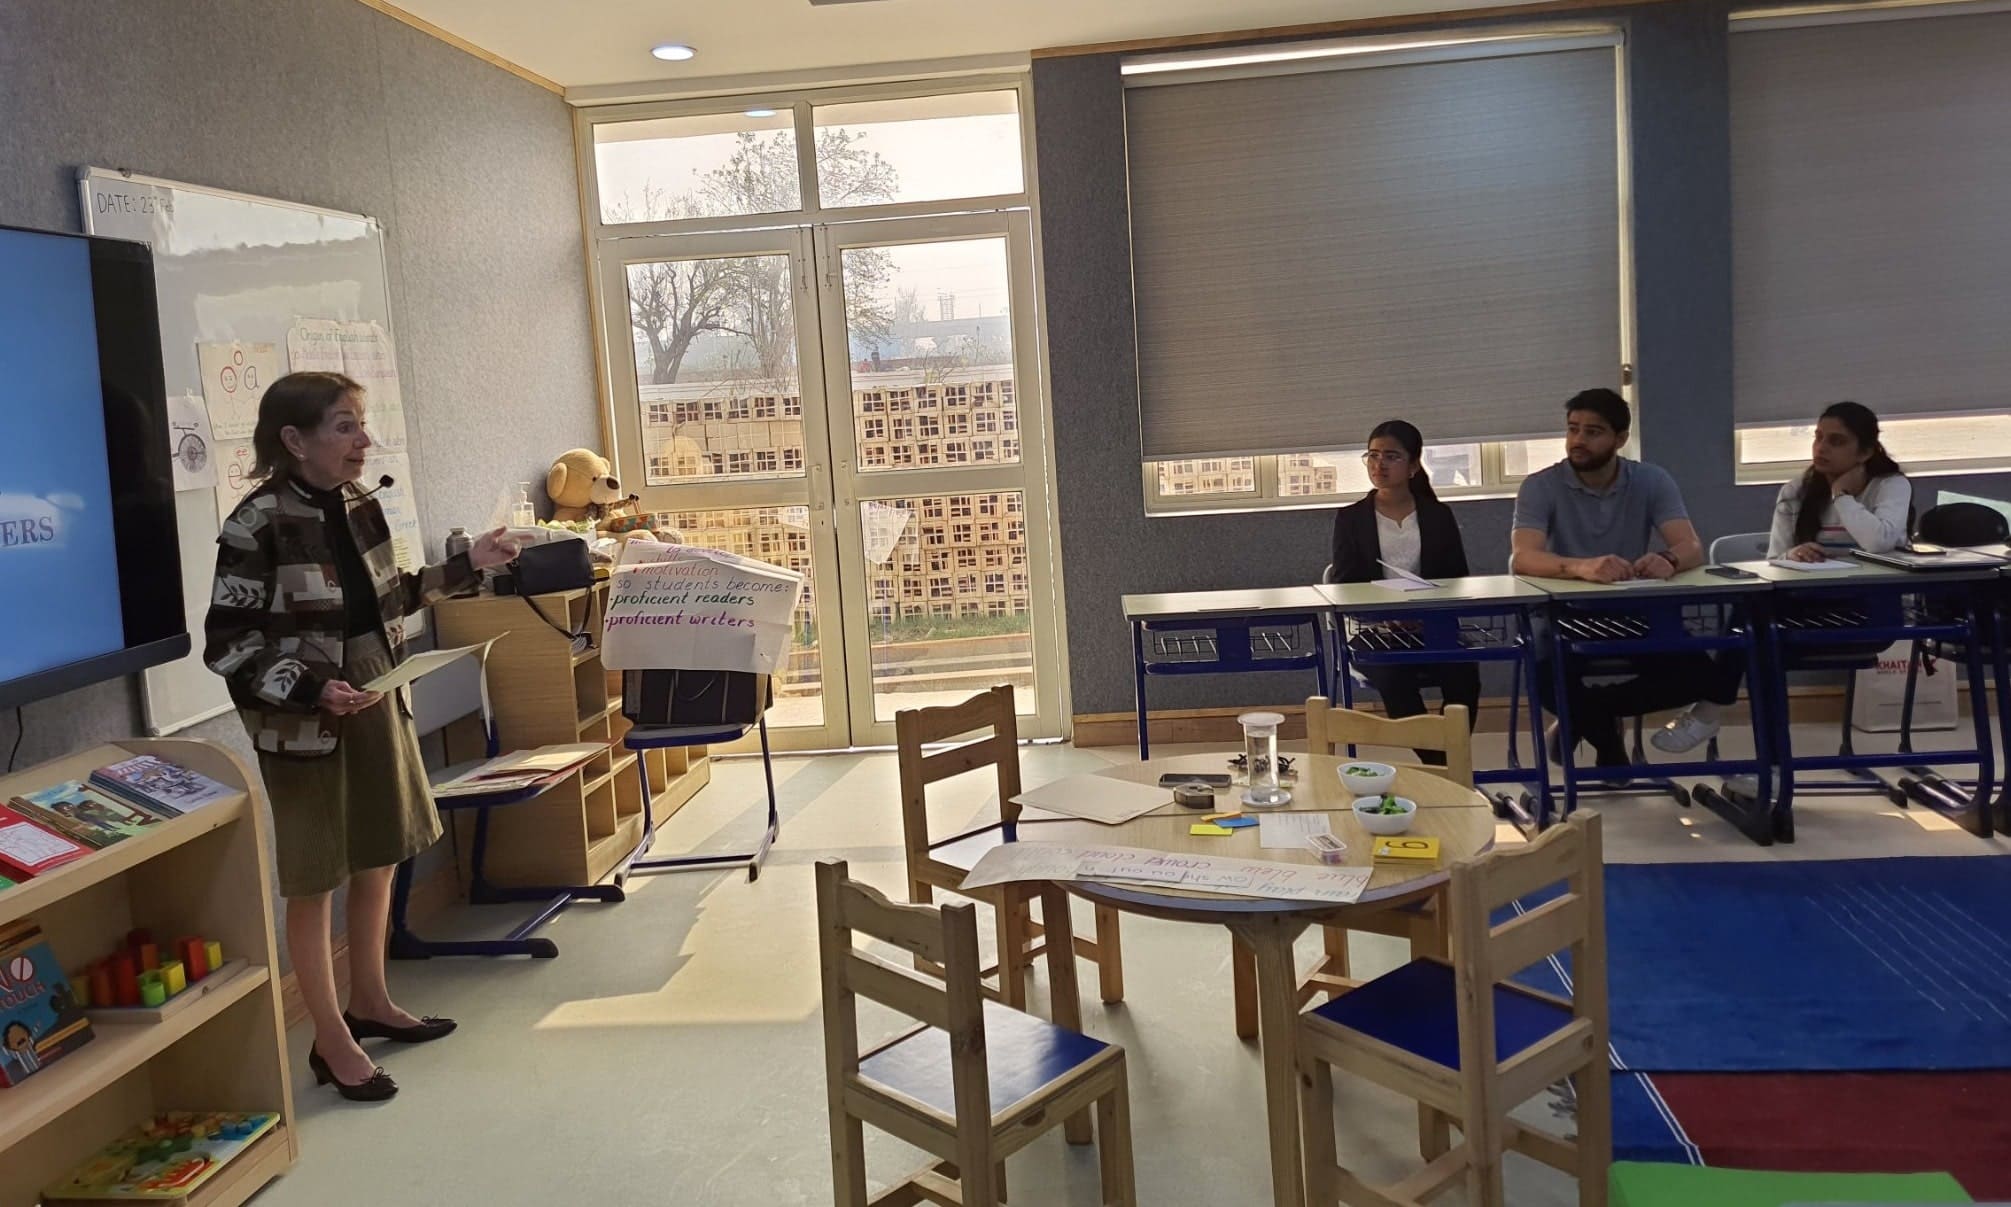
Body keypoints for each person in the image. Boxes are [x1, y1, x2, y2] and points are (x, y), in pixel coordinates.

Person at [204, 372, 520, 1101]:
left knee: (380, 852)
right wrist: (312, 687)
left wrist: (470, 564)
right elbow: (229, 644)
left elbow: (391, 597)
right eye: (345, 426)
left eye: (361, 424)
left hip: (376, 687)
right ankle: (329, 1037)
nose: (363, 440)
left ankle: (371, 1000)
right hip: (303, 720)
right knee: (316, 877)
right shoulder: (255, 524)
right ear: (294, 439)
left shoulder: (359, 504)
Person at [1653, 401, 1910, 752]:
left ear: (1865, 452)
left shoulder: (1890, 485)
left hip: (1870, 614)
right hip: (1809, 608)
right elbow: (1774, 561)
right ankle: (1771, 764)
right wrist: (1793, 555)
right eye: (1818, 437)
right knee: (1755, 628)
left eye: (1836, 441)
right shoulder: (1797, 490)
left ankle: (1713, 713)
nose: (1821, 448)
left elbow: (1880, 542)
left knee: (1756, 637)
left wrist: (1842, 495)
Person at [1510, 388, 1728, 769]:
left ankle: (1592, 714)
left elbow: (1692, 546)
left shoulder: (1650, 479)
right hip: (1562, 612)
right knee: (1546, 677)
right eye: (1573, 429)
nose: (1578, 440)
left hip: (1631, 609)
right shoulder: (1540, 485)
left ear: (1621, 438)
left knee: (1699, 674)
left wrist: (1668, 559)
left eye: (1593, 432)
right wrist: (1581, 567)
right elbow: (1523, 558)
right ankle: (1608, 740)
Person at [1329, 419, 1479, 761]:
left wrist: (1425, 618)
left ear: (1413, 466)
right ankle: (1442, 764)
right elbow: (1344, 586)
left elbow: (1457, 579)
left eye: (1391, 456)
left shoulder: (1438, 515)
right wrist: (1384, 617)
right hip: (1374, 629)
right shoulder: (1351, 518)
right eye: (1372, 455)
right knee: (1393, 675)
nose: (1379, 464)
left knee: (1464, 672)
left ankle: (1449, 760)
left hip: (1433, 626)